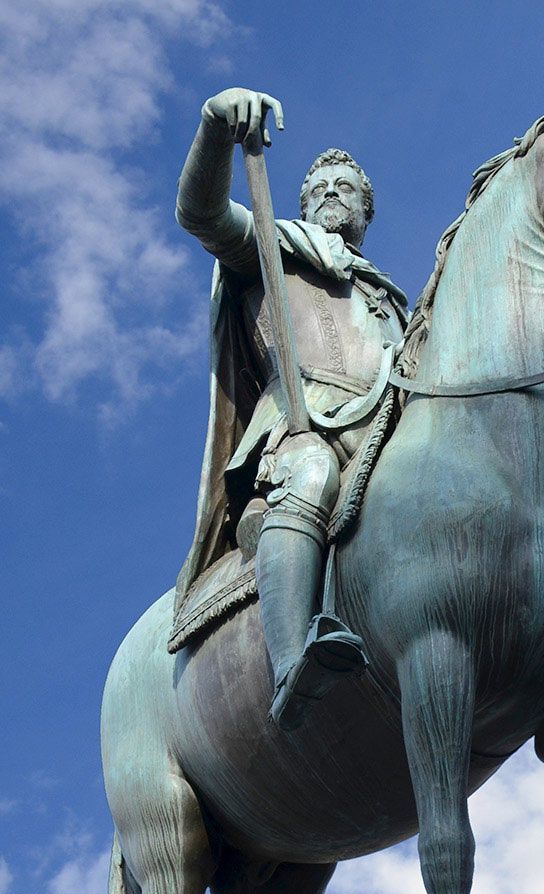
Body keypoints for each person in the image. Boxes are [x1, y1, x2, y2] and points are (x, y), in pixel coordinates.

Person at [174, 88, 407, 729]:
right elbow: (201, 214)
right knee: (311, 476)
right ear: (304, 204)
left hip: (386, 433)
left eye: (347, 187)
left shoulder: (392, 300)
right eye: (321, 186)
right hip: (303, 433)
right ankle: (292, 661)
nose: (333, 192)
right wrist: (215, 128)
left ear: (367, 210)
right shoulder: (275, 247)